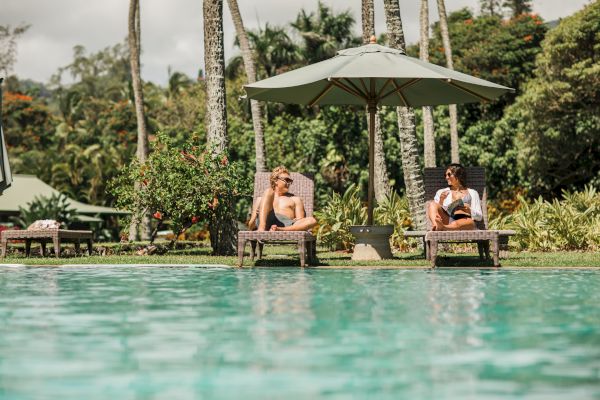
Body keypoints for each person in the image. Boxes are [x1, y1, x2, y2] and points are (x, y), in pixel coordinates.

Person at [248, 166, 318, 232]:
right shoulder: (261, 199)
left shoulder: (295, 199)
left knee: (312, 220)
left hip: (287, 224)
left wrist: (298, 220)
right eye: (287, 180)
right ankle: (261, 229)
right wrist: (255, 217)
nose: (289, 183)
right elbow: (251, 227)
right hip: (266, 222)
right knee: (268, 191)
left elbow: (300, 222)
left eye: (290, 181)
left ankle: (280, 229)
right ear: (275, 180)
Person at [427, 163, 483, 231]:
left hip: (465, 222)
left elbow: (479, 217)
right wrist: (441, 202)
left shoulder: (473, 193)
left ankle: (444, 228)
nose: (446, 177)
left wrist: (469, 210)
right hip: (447, 220)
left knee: (470, 222)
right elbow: (437, 211)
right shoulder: (441, 192)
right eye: (445, 175)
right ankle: (436, 226)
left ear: (458, 175)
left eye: (449, 174)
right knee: (432, 204)